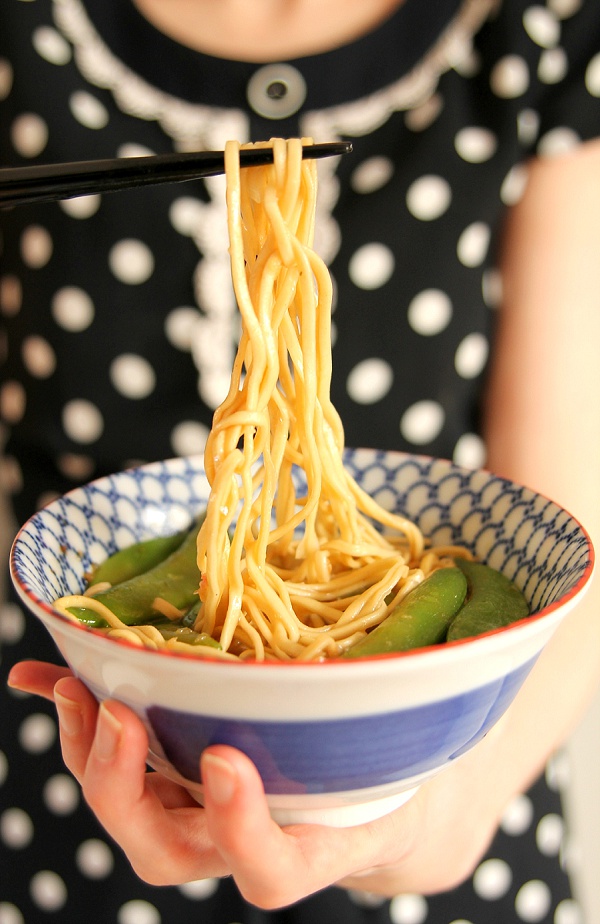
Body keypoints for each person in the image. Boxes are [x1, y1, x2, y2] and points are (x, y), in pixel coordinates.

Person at [2, 0, 600, 921]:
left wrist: (443, 817)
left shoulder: (545, 28)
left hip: (446, 776)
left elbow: (565, 501)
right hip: (78, 758)